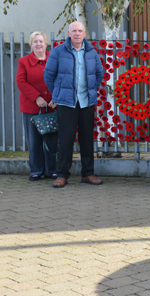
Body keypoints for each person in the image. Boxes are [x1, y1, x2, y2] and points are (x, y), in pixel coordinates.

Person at [44, 21, 104, 188]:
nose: (77, 34)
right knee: (65, 139)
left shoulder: (92, 52)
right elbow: (49, 75)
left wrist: (91, 89)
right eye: (74, 31)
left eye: (80, 31)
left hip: (86, 102)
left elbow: (99, 74)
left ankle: (88, 173)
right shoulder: (58, 52)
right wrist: (58, 93)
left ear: (84, 34)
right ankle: (62, 175)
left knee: (86, 138)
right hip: (66, 103)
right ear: (69, 34)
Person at [17, 31, 58, 181]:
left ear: (46, 43)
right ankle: (36, 170)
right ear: (31, 44)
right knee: (34, 141)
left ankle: (51, 170)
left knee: (51, 141)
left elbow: (61, 80)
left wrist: (56, 98)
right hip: (32, 107)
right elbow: (21, 82)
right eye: (35, 41)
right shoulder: (23, 62)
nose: (38, 44)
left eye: (41, 41)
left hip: (51, 106)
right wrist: (36, 98)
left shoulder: (55, 60)